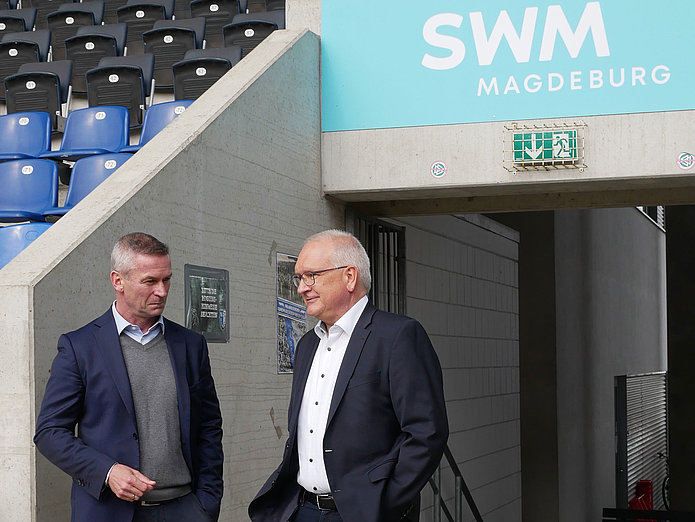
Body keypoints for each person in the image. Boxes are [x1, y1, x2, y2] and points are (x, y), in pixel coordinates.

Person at [248, 230, 448, 522]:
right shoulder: (307, 345)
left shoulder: (397, 336)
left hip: (364, 513)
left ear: (350, 277)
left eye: (311, 275)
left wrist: (385, 503)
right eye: (299, 278)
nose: (302, 288)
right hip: (301, 509)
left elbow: (427, 433)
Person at [34, 232, 224, 522]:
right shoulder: (80, 347)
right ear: (118, 281)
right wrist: (107, 471)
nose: (162, 291)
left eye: (166, 280)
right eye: (150, 281)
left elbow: (209, 426)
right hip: (108, 511)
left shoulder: (190, 345)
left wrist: (207, 503)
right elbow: (49, 433)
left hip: (185, 510)